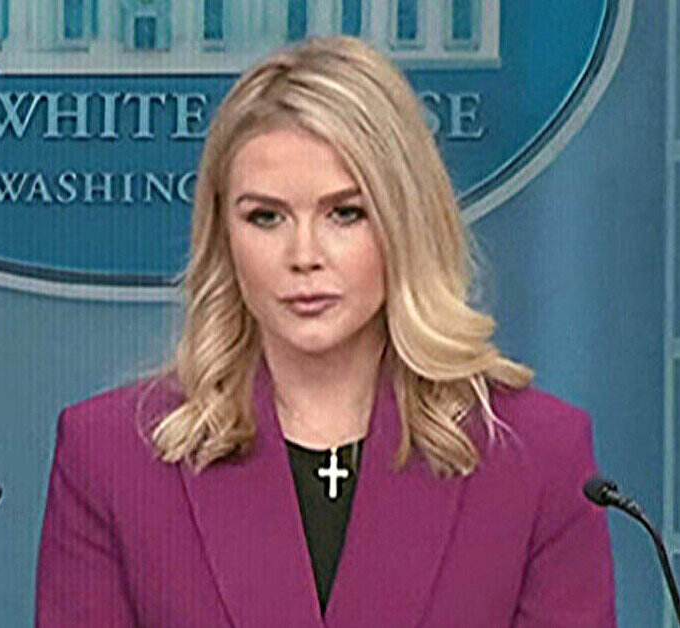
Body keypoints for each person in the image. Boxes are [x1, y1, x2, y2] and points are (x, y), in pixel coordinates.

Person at [36, 36, 615, 627]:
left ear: (405, 221)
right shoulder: (111, 459)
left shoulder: (538, 454)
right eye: (266, 217)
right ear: (223, 235)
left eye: (345, 213)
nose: (304, 256)